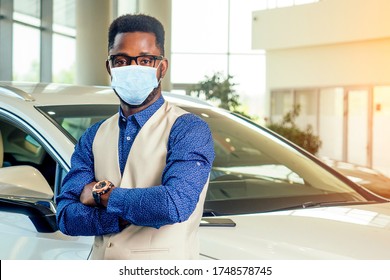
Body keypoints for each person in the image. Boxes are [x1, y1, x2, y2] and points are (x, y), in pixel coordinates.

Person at [56, 14, 215, 260]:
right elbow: (66, 216)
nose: (133, 68)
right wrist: (126, 215)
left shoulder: (188, 130)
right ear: (110, 67)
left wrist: (101, 195)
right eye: (121, 60)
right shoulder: (93, 135)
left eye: (145, 60)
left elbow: (173, 204)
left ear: (162, 67)